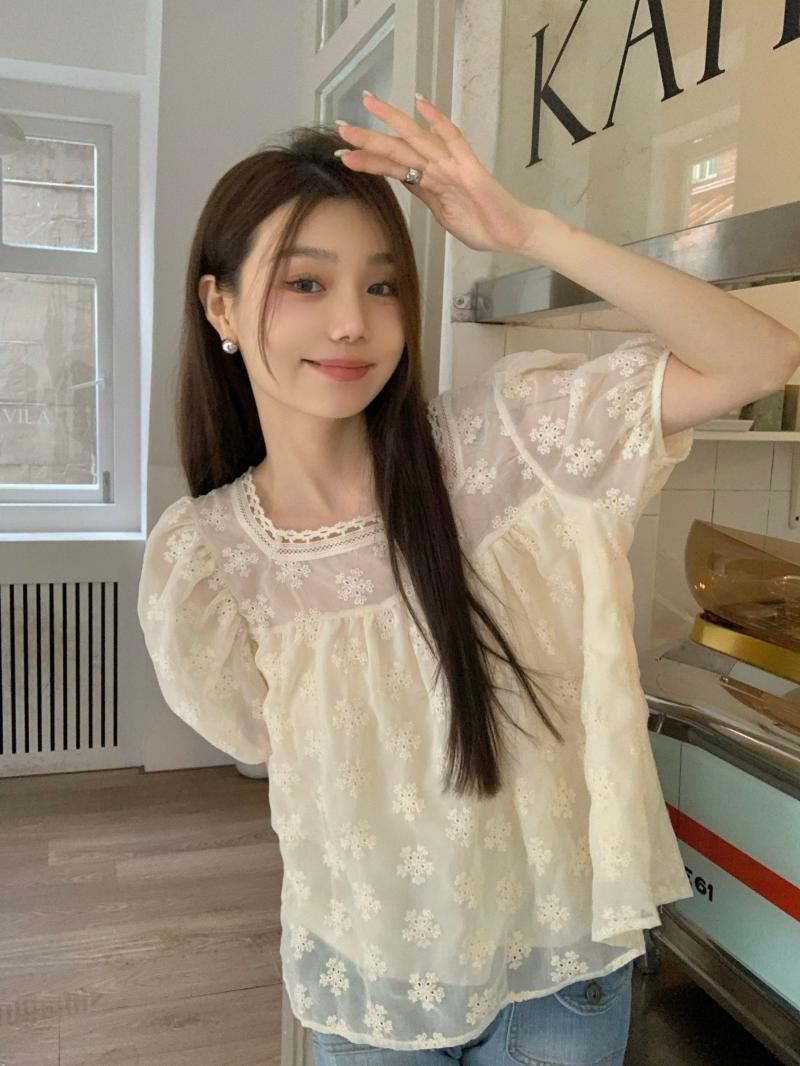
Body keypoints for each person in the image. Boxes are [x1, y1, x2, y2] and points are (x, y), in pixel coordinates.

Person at [137, 90, 800, 1064]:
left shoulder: (506, 445)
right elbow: (251, 733)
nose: (352, 323)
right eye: (306, 282)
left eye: (382, 286)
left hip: (556, 972)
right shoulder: (207, 559)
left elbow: (761, 357)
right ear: (220, 304)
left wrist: (528, 231)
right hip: (372, 988)